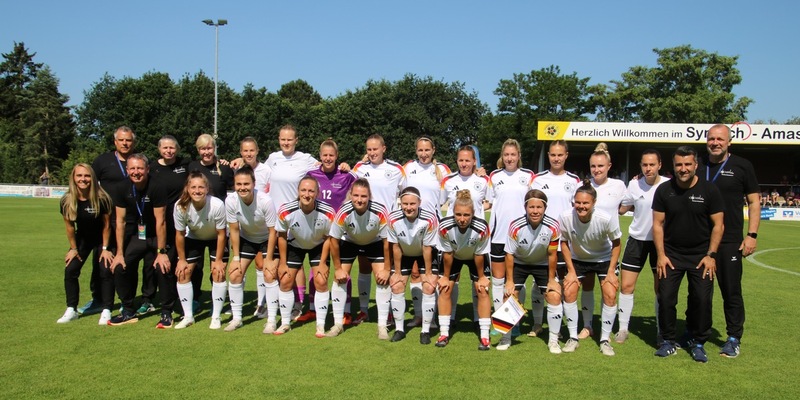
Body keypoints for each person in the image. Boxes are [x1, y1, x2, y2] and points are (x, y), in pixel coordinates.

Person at [652, 146, 724, 363]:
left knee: (701, 300)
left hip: (701, 256)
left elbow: (718, 225)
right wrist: (661, 255)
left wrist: (711, 255)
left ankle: (698, 341)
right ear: (673, 166)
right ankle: (668, 341)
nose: (683, 169)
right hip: (671, 255)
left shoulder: (710, 191)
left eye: (687, 164)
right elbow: (657, 224)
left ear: (695, 165)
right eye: (678, 165)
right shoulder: (664, 190)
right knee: (665, 299)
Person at [698, 123, 760, 358]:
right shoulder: (698, 163)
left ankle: (733, 337)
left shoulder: (743, 166)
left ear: (729, 142)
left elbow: (754, 202)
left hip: (730, 240)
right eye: (711, 139)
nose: (715, 143)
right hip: (700, 240)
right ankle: (697, 333)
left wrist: (751, 235)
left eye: (720, 139)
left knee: (731, 291)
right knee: (700, 292)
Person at [108, 154, 177, 328]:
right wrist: (119, 253)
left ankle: (166, 312)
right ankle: (128, 310)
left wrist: (161, 253)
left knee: (163, 267)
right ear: (127, 170)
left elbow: (161, 221)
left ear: (147, 169)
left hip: (159, 236)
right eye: (132, 168)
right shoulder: (121, 187)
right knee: (119, 266)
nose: (136, 172)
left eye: (140, 168)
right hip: (139, 236)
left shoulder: (157, 186)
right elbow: (120, 221)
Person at [558, 180, 622, 356]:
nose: (581, 206)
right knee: (569, 291)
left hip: (604, 259)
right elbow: (563, 242)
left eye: (585, 203)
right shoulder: (565, 217)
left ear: (593, 203)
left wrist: (611, 271)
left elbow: (617, 243)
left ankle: (604, 340)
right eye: (578, 202)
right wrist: (571, 271)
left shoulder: (605, 218)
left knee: (610, 293)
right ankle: (573, 338)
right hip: (578, 259)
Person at [615, 149, 669, 343]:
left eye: (652, 164)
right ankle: (622, 328)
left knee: (660, 288)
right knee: (627, 285)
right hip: (636, 240)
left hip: (660, 243)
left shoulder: (668, 185)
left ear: (659, 165)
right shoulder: (634, 184)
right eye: (645, 164)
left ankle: (661, 329)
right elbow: (622, 208)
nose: (648, 168)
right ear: (641, 166)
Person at [325, 178, 390, 339]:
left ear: (369, 197)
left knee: (382, 278)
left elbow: (387, 242)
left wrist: (388, 269)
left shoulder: (380, 210)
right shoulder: (344, 211)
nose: (359, 200)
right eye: (356, 195)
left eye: (363, 196)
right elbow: (333, 239)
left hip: (374, 242)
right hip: (350, 241)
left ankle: (382, 326)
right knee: (339, 278)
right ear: (351, 195)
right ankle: (338, 324)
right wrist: (338, 268)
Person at [81, 126, 136, 315]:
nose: (125, 143)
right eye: (121, 140)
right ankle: (99, 299)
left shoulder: (138, 162)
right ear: (115, 142)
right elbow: (87, 183)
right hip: (104, 221)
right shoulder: (102, 161)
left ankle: (125, 300)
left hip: (130, 220)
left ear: (133, 142)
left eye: (128, 140)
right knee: (101, 262)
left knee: (127, 262)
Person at [352, 134, 406, 325]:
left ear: (384, 148)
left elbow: (406, 193)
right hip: (364, 227)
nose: (372, 152)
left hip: (387, 229)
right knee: (364, 267)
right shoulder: (359, 168)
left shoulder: (397, 169)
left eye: (375, 149)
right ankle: (364, 310)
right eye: (369, 149)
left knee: (387, 269)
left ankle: (389, 311)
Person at [304, 139, 358, 324]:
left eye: (331, 155)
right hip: (319, 231)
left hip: (340, 232)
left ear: (337, 156)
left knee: (341, 270)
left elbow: (361, 187)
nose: (328, 158)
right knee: (317, 269)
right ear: (320, 156)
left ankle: (346, 311)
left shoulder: (345, 175)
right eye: (325, 155)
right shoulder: (311, 174)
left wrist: (349, 168)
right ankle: (312, 309)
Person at [487, 139, 536, 338]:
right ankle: (501, 322)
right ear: (502, 156)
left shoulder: (529, 176)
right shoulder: (494, 176)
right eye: (506, 155)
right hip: (498, 236)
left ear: (518, 156)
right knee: (498, 282)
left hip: (521, 237)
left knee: (517, 283)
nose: (509, 158)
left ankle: (515, 322)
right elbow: (488, 203)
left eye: (513, 154)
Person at [578, 143, 627, 340]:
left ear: (609, 166)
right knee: (587, 286)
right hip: (585, 247)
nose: (596, 170)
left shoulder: (619, 186)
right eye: (593, 166)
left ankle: (606, 333)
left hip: (608, 250)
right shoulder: (583, 187)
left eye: (600, 166)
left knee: (609, 291)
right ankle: (588, 326)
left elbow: (624, 208)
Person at [275, 176, 335, 337]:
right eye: (303, 190)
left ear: (317, 193)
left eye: (311, 191)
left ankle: (321, 325)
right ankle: (285, 322)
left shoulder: (328, 212)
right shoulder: (286, 210)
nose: (307, 194)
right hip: (295, 245)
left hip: (318, 246)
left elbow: (330, 238)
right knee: (286, 280)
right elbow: (281, 236)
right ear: (298, 191)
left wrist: (323, 262)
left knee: (321, 281)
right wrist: (282, 262)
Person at [502, 189, 561, 352]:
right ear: (525, 207)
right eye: (531, 207)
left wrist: (551, 280)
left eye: (539, 207)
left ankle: (553, 340)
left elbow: (552, 254)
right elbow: (509, 254)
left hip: (542, 264)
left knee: (554, 295)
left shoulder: (553, 226)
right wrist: (509, 281)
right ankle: (505, 338)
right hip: (520, 262)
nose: (535, 211)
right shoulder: (516, 226)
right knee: (509, 295)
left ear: (545, 208)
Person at [440, 145, 493, 326]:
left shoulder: (483, 181)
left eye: (467, 160)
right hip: (454, 238)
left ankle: (479, 319)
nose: (464, 163)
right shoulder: (447, 181)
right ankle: (451, 316)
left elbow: (490, 203)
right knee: (451, 280)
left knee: (478, 281)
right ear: (457, 161)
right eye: (461, 160)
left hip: (476, 238)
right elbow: (440, 204)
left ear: (474, 161)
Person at [402, 136, 450, 328]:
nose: (424, 154)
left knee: (432, 273)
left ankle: (433, 317)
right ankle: (419, 315)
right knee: (415, 272)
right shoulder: (407, 168)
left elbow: (450, 194)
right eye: (420, 150)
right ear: (416, 151)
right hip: (411, 226)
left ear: (433, 150)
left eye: (427, 150)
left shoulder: (443, 170)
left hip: (434, 227)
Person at [434, 190, 492, 350]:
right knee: (445, 288)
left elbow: (479, 255)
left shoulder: (481, 226)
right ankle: (444, 333)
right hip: (454, 255)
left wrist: (481, 278)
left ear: (473, 213)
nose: (462, 219)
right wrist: (445, 277)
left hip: (475, 256)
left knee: (482, 290)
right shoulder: (445, 226)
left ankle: (485, 336)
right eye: (458, 214)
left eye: (466, 215)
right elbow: (447, 254)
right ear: (452, 213)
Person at [58, 164, 114, 324]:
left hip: (102, 240)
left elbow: (106, 226)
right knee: (70, 269)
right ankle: (71, 309)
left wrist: (105, 248)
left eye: (87, 176)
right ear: (73, 178)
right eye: (79, 176)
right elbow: (69, 227)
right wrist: (73, 249)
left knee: (105, 270)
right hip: (82, 240)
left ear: (93, 178)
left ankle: (107, 309)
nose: (83, 179)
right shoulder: (66, 200)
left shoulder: (102, 198)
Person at [224, 166, 278, 332]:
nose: (242, 187)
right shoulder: (231, 201)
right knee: (234, 273)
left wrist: (268, 258)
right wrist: (235, 258)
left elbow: (273, 231)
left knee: (269, 274)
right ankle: (237, 318)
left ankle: (271, 320)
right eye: (238, 184)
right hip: (247, 238)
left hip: (267, 239)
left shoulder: (265, 201)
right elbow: (234, 229)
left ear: (254, 183)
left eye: (246, 184)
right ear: (234, 185)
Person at [172, 172, 227, 329]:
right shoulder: (180, 206)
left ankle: (216, 316)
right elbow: (180, 235)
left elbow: (222, 234)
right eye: (193, 187)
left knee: (218, 272)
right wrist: (181, 260)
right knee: (183, 273)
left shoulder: (216, 205)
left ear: (207, 188)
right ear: (187, 189)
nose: (197, 191)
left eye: (201, 187)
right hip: (194, 238)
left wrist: (217, 261)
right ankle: (188, 316)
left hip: (216, 239)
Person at [387, 186, 439, 343]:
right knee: (396, 286)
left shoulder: (429, 219)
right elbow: (395, 246)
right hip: (404, 253)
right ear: (400, 204)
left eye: (412, 204)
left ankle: (425, 331)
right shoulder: (393, 219)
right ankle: (399, 329)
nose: (408, 208)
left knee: (429, 286)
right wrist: (396, 272)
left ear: (419, 203)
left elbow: (427, 247)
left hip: (425, 253)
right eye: (405, 204)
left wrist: (428, 273)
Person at [150, 136, 194, 307]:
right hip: (161, 222)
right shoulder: (152, 168)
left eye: (172, 148)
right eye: (165, 148)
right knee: (159, 261)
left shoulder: (185, 164)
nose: (168, 151)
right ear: (159, 149)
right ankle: (153, 297)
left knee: (184, 260)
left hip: (183, 223)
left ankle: (184, 295)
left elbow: (205, 166)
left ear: (177, 149)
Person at [531, 140, 580, 279]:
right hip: (541, 238)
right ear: (548, 155)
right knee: (540, 281)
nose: (556, 159)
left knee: (564, 281)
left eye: (560, 155)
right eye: (553, 155)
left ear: (566, 155)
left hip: (564, 239)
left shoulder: (574, 180)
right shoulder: (538, 179)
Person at [189, 134, 234, 201]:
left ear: (214, 148)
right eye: (203, 149)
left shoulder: (224, 168)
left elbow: (237, 189)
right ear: (198, 150)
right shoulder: (192, 167)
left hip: (219, 210)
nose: (206, 152)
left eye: (209, 148)